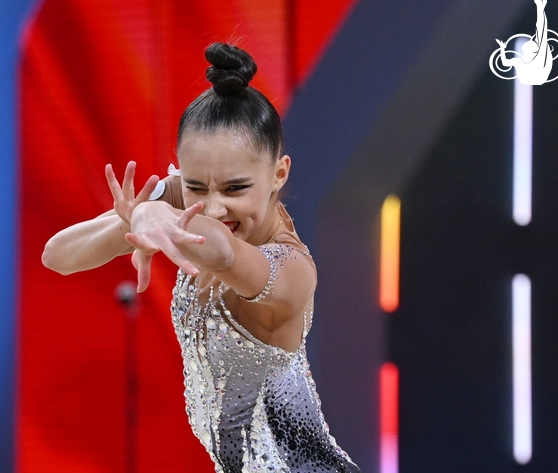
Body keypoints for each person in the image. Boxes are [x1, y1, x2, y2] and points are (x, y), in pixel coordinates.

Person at [42, 42, 360, 473]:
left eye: (235, 189)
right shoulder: (185, 206)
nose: (213, 208)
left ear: (278, 173)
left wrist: (157, 211)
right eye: (196, 187)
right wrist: (138, 215)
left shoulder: (292, 270)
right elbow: (58, 255)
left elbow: (222, 251)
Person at [496, 0, 552, 85]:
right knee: (541, 33)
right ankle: (540, 5)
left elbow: (541, 29)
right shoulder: (519, 62)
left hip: (537, 76)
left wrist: (540, 7)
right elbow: (505, 63)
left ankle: (540, 5)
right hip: (531, 78)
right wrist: (502, 48)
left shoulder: (537, 59)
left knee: (541, 32)